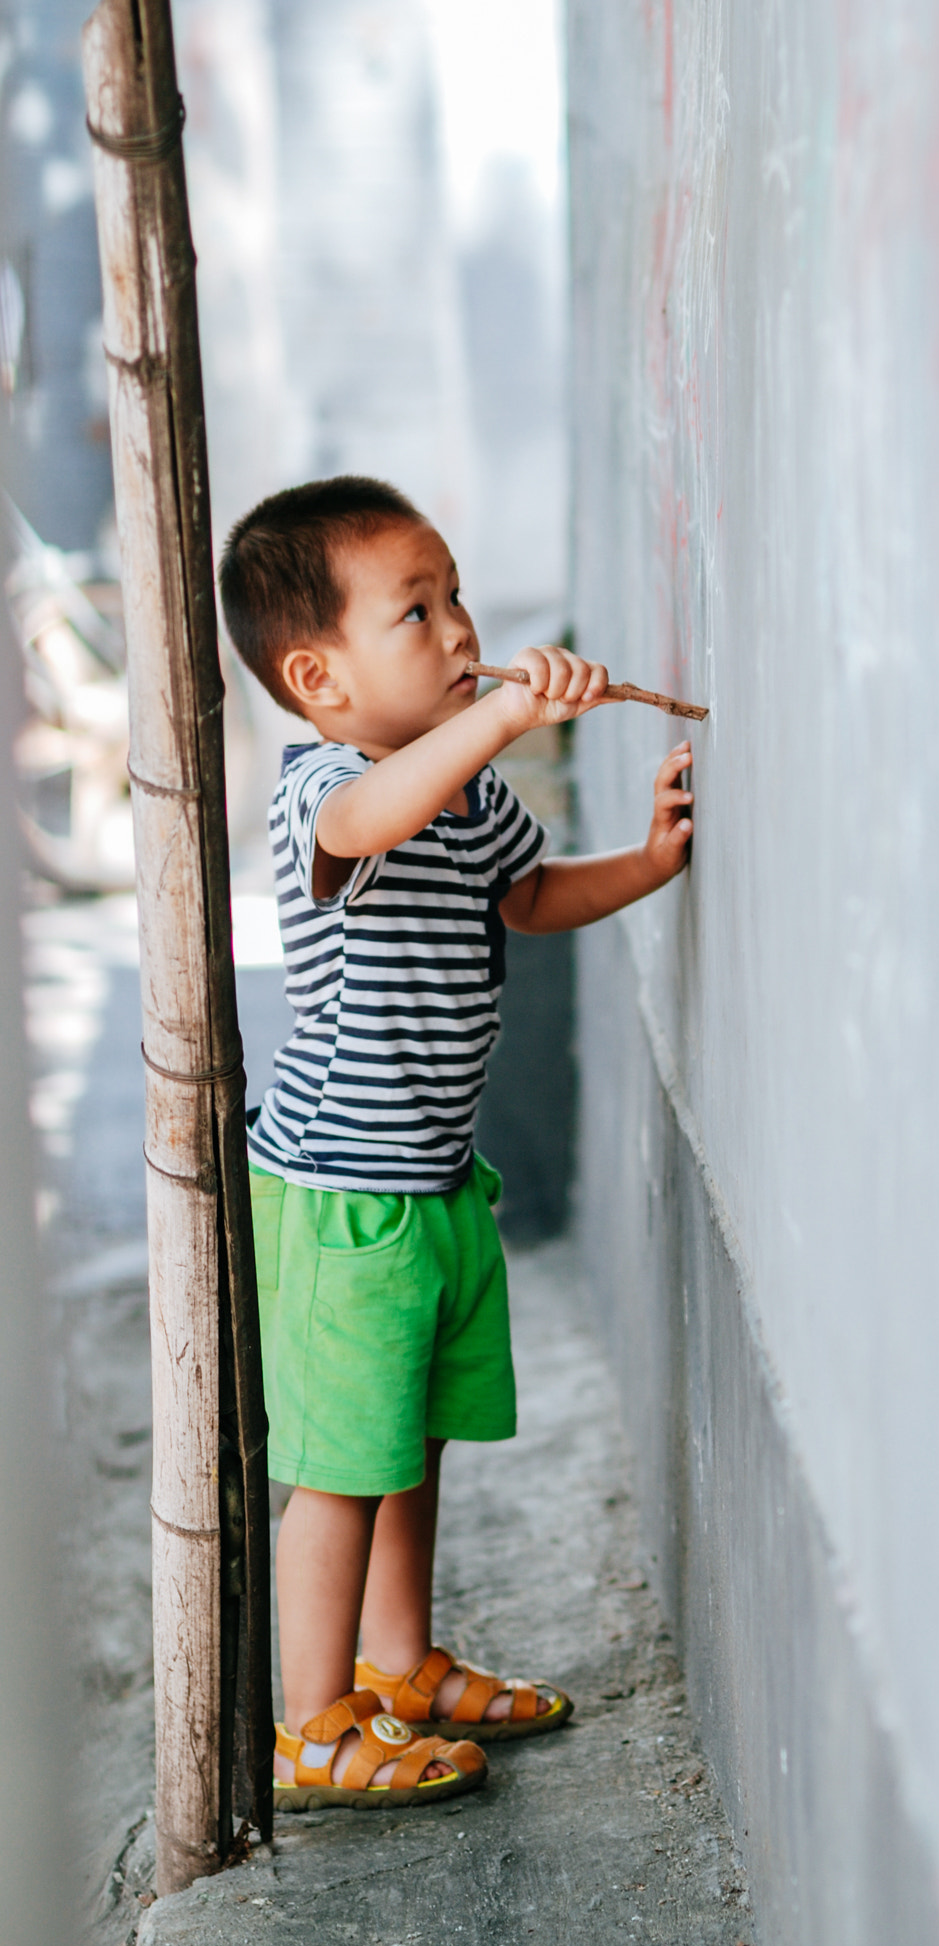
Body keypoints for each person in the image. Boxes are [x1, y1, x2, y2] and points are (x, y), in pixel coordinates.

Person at [219, 476, 694, 1809]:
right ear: (315, 676)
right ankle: (311, 1729)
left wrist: (649, 862)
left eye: (455, 594)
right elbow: (375, 822)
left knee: (411, 1440)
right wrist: (497, 718)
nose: (457, 625)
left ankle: (400, 1664)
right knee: (339, 1469)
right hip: (337, 1202)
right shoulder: (322, 786)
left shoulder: (469, 796)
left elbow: (530, 896)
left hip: (431, 1183)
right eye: (413, 609)